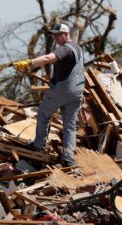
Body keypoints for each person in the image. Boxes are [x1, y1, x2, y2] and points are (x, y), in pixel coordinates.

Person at [13, 23, 85, 167]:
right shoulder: (78, 48)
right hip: (77, 92)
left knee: (43, 113)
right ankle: (68, 158)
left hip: (63, 90)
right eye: (54, 35)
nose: (55, 38)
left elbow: (47, 59)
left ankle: (39, 144)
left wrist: (29, 63)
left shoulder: (66, 49)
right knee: (70, 125)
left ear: (65, 34)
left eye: (57, 35)